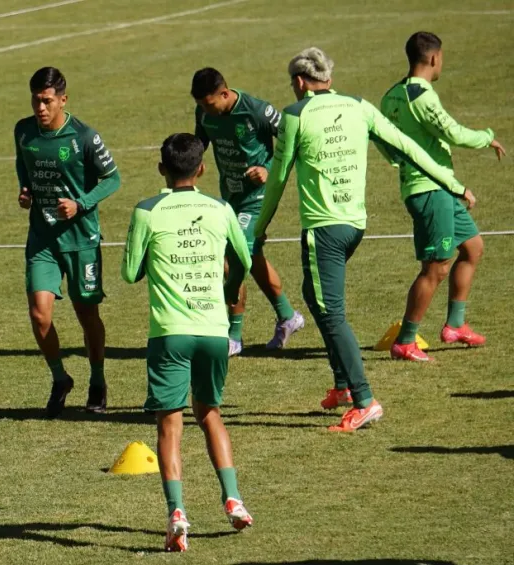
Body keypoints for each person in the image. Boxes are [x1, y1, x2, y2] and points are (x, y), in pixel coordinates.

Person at [256, 47, 474, 432]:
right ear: (329, 79)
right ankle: (342, 385)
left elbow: (277, 179)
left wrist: (256, 230)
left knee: (331, 312)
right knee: (314, 295)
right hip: (355, 226)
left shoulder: (295, 115)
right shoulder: (359, 106)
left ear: (300, 82)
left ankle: (363, 399)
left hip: (324, 229)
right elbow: (408, 147)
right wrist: (454, 184)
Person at [121, 133, 254, 553]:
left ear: (162, 169)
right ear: (202, 169)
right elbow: (245, 260)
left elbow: (130, 273)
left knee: (170, 423)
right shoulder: (221, 209)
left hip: (170, 333)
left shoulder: (147, 210)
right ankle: (233, 498)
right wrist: (227, 290)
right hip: (214, 330)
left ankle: (176, 512)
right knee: (210, 412)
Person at [380, 32, 506, 361]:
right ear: (434, 58)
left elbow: (380, 135)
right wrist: (486, 137)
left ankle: (455, 325)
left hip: (440, 187)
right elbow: (451, 132)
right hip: (429, 189)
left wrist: (396, 160)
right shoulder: (422, 96)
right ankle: (405, 341)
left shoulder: (391, 96)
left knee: (473, 247)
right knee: (435, 268)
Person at [14, 66, 122, 417]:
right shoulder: (23, 131)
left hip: (80, 239)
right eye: (35, 100)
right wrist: (25, 189)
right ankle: (60, 378)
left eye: (47, 101)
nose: (40, 108)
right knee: (39, 313)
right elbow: (23, 163)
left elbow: (113, 178)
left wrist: (80, 204)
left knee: (87, 314)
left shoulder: (84, 137)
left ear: (63, 100)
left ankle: (98, 380)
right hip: (42, 238)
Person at [191, 67, 305, 355]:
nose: (206, 111)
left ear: (224, 94)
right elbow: (200, 140)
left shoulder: (258, 111)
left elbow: (294, 141)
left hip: (258, 197)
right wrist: (193, 163)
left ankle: (234, 335)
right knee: (251, 256)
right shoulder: (203, 112)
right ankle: (288, 316)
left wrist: (268, 170)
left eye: (209, 104)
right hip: (230, 195)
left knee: (235, 253)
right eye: (201, 105)